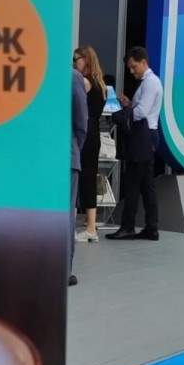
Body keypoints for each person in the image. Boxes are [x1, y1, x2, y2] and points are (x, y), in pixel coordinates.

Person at [106, 47, 163, 241]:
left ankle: (128, 226)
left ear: (143, 62)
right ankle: (151, 228)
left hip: (143, 135)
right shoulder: (149, 82)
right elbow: (140, 109)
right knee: (147, 185)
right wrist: (129, 105)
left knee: (132, 183)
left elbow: (142, 112)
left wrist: (121, 114)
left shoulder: (151, 82)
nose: (131, 71)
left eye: (133, 66)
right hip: (146, 135)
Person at [74, 46, 106, 242]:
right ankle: (91, 225)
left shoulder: (83, 81)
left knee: (82, 177)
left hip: (85, 132)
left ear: (85, 60)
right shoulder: (100, 84)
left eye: (76, 59)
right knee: (89, 177)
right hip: (94, 132)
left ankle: (90, 228)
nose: (73, 63)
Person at [69, 68, 89, 286]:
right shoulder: (73, 77)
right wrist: (76, 147)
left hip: (39, 157)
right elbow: (82, 121)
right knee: (66, 215)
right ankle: (64, 271)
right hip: (66, 155)